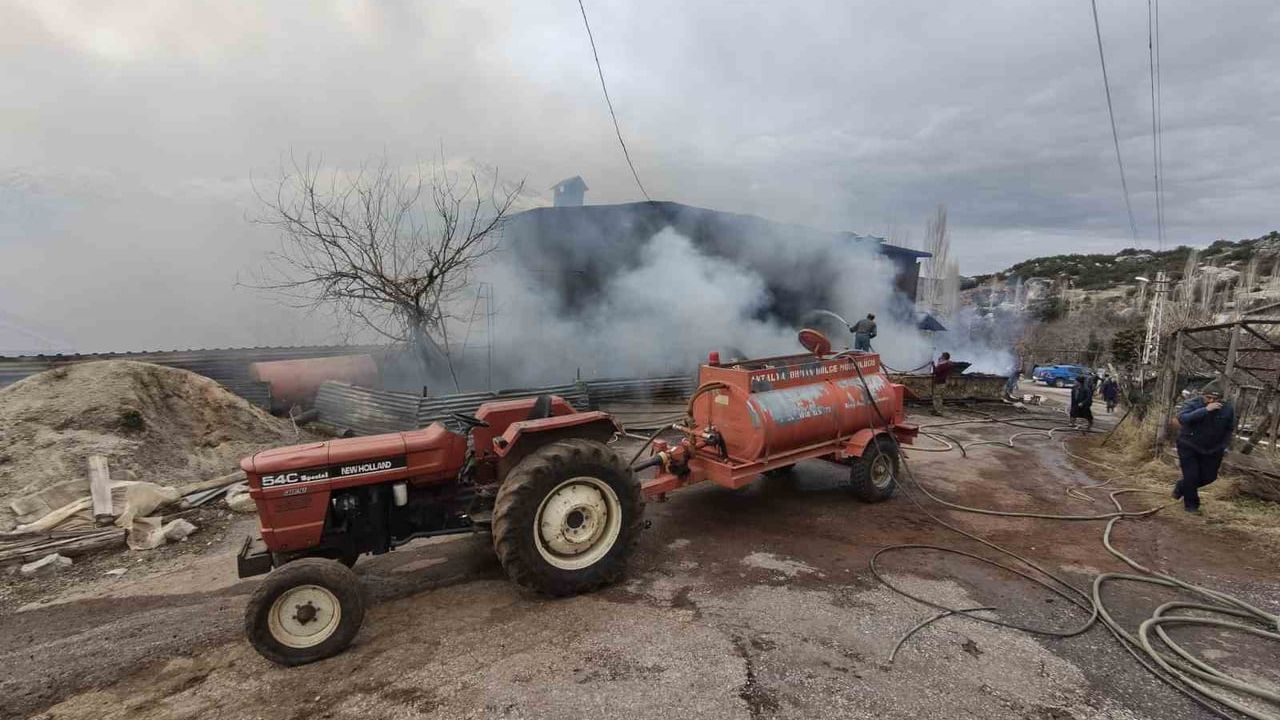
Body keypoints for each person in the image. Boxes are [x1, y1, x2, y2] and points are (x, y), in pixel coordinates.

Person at [1174, 379, 1236, 513]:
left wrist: (1223, 446)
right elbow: (1183, 418)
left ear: (1220, 399)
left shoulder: (1227, 409)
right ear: (1203, 395)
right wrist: (1205, 410)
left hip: (1212, 449)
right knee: (1191, 476)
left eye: (1215, 399)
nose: (1211, 401)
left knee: (1209, 477)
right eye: (1208, 397)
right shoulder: (1194, 404)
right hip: (1188, 445)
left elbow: (1229, 429)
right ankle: (1191, 506)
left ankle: (1181, 486)